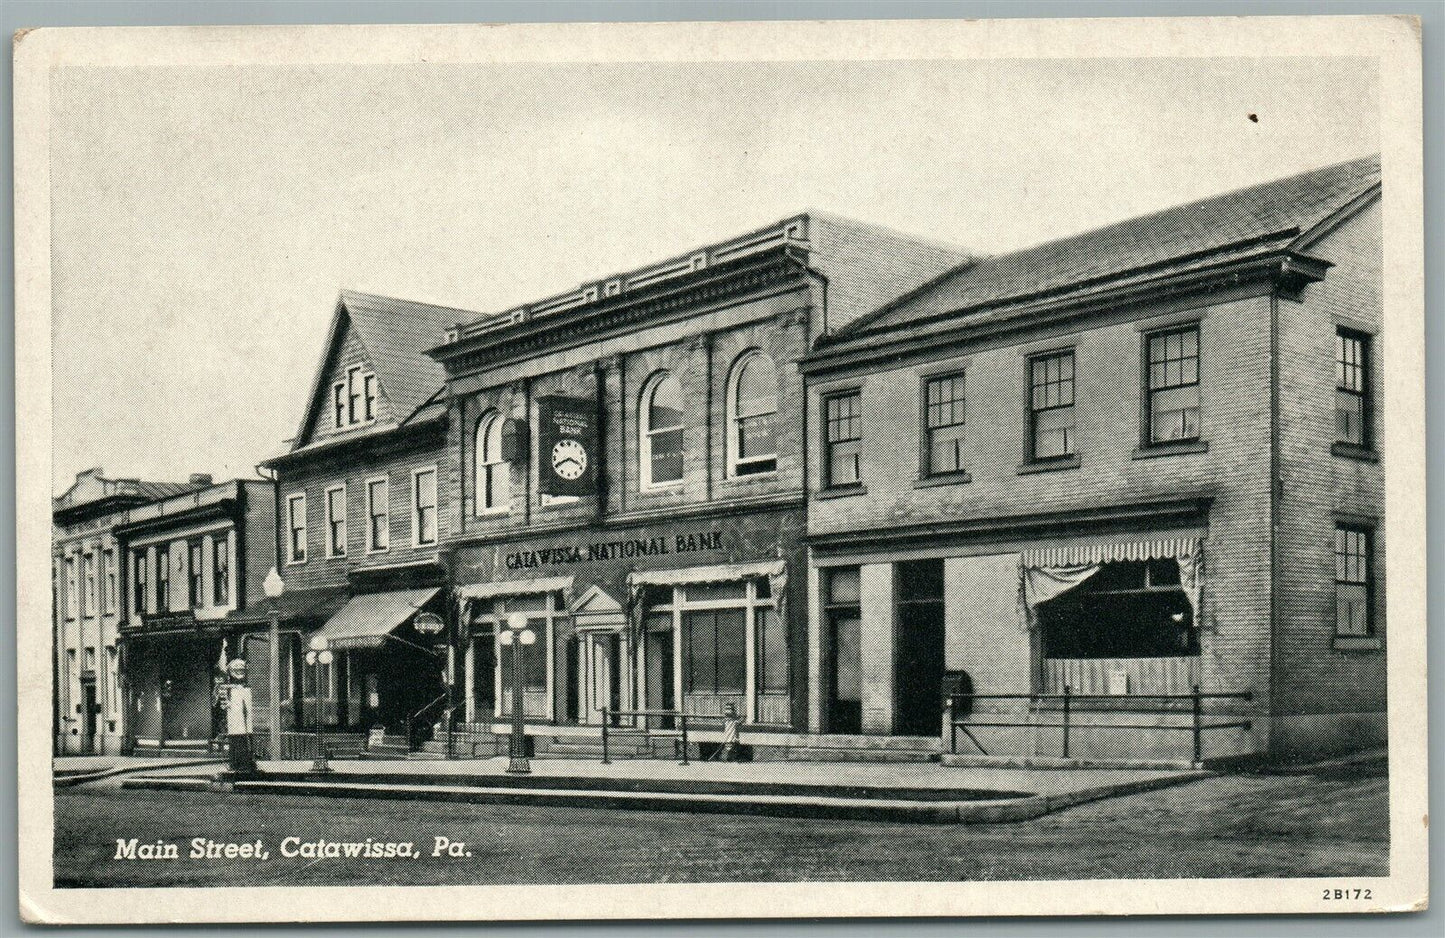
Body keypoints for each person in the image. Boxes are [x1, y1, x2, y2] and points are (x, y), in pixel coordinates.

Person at [223, 658, 257, 774]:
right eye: (236, 669)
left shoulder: (247, 688)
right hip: (235, 724)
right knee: (237, 741)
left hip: (247, 724)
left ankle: (248, 763)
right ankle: (238, 764)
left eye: (242, 669)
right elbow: (223, 704)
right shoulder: (228, 688)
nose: (240, 672)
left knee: (247, 740)